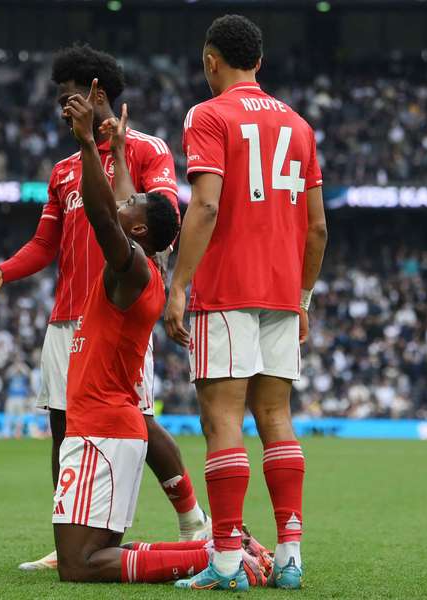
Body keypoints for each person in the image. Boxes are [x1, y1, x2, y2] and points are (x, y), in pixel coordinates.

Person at [0, 44, 210, 571]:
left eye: (68, 97)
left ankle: (193, 519)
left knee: (139, 423)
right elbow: (44, 243)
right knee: (64, 433)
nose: (61, 108)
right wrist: (3, 271)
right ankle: (69, 537)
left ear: (96, 93)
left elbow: (160, 222)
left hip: (118, 313)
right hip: (66, 319)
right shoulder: (63, 170)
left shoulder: (145, 150)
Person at [163, 15, 327, 591]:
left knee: (222, 419)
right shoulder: (300, 126)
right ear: (259, 60)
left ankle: (228, 563)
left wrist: (178, 283)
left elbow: (204, 207)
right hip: (283, 293)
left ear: (212, 60)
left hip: (228, 289)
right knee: (277, 417)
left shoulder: (207, 115)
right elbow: (317, 230)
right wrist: (302, 297)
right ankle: (289, 558)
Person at [51, 84, 229, 585]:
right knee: (91, 556)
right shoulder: (144, 267)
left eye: (135, 207)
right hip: (111, 428)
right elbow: (125, 208)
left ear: (139, 232)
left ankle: (211, 558)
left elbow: (103, 213)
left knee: (78, 566)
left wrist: (89, 144)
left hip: (101, 430)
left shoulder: (129, 269)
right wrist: (122, 151)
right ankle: (212, 550)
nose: (126, 202)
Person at [3, 358, 31, 438]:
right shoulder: (11, 370)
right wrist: (15, 368)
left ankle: (18, 433)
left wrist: (21, 367)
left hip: (21, 397)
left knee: (20, 416)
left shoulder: (24, 370)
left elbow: (28, 374)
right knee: (8, 415)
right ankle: (6, 432)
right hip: (11, 396)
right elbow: (7, 375)